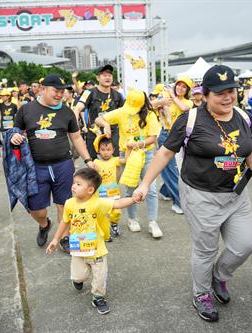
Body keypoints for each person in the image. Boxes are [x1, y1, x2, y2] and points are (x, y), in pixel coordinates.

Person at [133, 65, 252, 322]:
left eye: (232, 90)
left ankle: (219, 276)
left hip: (235, 195)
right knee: (205, 250)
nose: (228, 97)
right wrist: (144, 184)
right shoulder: (190, 120)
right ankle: (201, 294)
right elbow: (165, 153)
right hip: (201, 196)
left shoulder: (243, 116)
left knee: (245, 245)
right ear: (206, 94)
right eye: (220, 93)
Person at [11, 74, 95, 252]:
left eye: (62, 92)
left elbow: (77, 137)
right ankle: (44, 224)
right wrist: (15, 136)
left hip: (63, 165)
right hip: (36, 167)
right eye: (56, 91)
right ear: (43, 89)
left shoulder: (66, 112)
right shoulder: (26, 110)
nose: (60, 95)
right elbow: (15, 131)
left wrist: (88, 159)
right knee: (36, 209)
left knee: (64, 205)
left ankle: (65, 236)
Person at [46, 168, 136, 315]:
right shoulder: (69, 204)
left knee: (100, 274)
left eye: (78, 184)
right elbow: (65, 221)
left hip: (97, 248)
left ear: (90, 190)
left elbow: (117, 204)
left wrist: (133, 199)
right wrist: (56, 239)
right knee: (78, 275)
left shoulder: (98, 203)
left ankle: (98, 297)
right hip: (78, 247)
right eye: (74, 183)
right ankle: (78, 280)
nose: (73, 186)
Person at [95, 89, 162, 238]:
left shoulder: (150, 115)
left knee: (150, 188)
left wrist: (139, 144)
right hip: (127, 155)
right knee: (130, 188)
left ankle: (153, 222)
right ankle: (132, 219)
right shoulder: (121, 112)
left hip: (146, 154)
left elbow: (153, 138)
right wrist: (105, 124)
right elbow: (98, 119)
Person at [156, 76, 194, 215]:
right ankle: (179, 202)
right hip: (165, 134)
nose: (180, 88)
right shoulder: (165, 96)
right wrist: (161, 101)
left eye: (184, 87)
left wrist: (172, 95)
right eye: (179, 85)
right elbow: (150, 105)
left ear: (187, 90)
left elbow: (183, 108)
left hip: (180, 136)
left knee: (175, 168)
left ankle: (165, 191)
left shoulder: (188, 102)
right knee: (170, 168)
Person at [73, 64, 124, 159]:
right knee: (95, 169)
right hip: (94, 136)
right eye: (104, 75)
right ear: (98, 78)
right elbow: (77, 109)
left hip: (112, 137)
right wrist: (75, 128)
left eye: (110, 75)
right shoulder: (88, 93)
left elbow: (125, 114)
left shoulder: (118, 95)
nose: (107, 77)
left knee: (113, 167)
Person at [93, 134, 122, 239]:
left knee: (116, 211)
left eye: (108, 149)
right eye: (103, 149)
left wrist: (128, 149)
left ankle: (114, 223)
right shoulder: (96, 162)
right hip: (100, 193)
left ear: (113, 150)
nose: (106, 152)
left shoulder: (115, 160)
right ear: (98, 150)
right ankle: (104, 231)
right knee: (102, 212)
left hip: (113, 192)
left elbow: (125, 161)